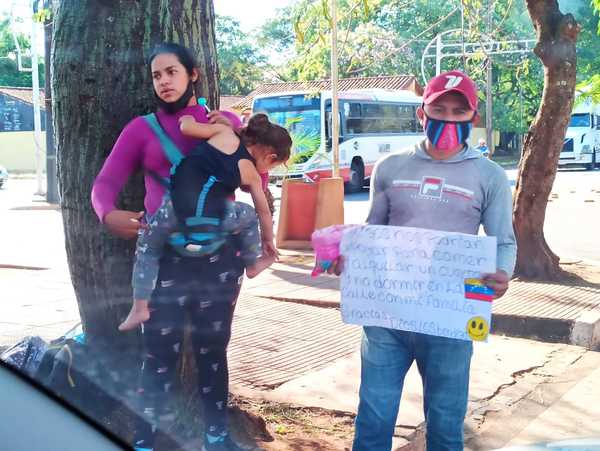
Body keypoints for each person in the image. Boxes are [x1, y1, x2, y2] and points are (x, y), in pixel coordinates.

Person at [329, 69, 517, 451]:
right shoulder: (390, 168)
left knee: (446, 427)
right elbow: (374, 230)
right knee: (374, 420)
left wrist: (501, 274)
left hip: (450, 318)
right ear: (422, 114)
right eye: (438, 109)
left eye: (457, 111)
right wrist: (352, 255)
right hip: (387, 317)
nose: (447, 119)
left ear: (473, 118)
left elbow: (504, 242)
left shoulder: (490, 175)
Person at [91, 42, 255, 451]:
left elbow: (254, 178)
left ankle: (216, 438)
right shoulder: (141, 130)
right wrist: (106, 213)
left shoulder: (220, 124)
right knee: (158, 358)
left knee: (213, 353)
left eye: (172, 72)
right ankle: (145, 440)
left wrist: (232, 127)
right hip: (163, 261)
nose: (164, 81)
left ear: (193, 75)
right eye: (156, 75)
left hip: (220, 259)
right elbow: (104, 185)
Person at [118, 113, 291, 331]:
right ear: (271, 157)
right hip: (212, 217)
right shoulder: (252, 174)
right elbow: (263, 212)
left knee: (147, 246)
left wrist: (187, 118)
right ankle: (252, 264)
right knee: (247, 214)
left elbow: (187, 128)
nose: (267, 172)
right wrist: (268, 240)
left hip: (175, 210)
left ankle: (139, 306)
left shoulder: (224, 132)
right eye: (273, 167)